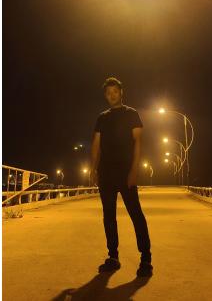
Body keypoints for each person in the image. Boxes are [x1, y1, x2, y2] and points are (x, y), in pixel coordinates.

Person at [90, 77, 153, 277]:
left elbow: (138, 143)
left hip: (125, 172)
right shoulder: (102, 117)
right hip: (106, 173)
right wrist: (93, 169)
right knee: (108, 216)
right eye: (108, 93)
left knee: (136, 214)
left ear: (121, 92)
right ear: (105, 95)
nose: (112, 95)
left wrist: (134, 170)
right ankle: (113, 256)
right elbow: (96, 144)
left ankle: (146, 258)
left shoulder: (132, 114)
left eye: (115, 91)